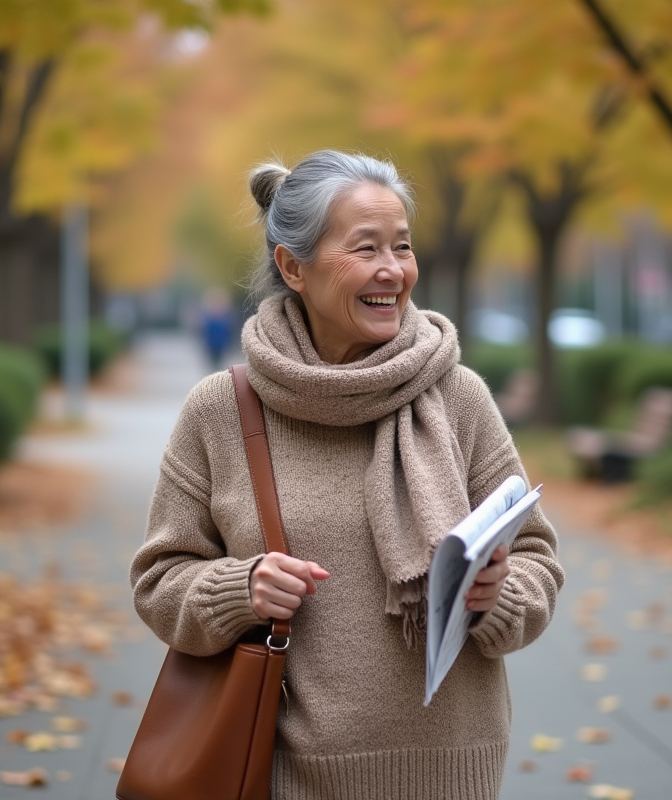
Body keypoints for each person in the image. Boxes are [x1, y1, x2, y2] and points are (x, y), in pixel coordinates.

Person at [130, 150, 564, 800]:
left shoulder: (459, 396)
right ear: (292, 266)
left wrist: (497, 593)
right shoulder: (222, 410)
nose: (393, 269)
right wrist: (239, 587)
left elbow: (537, 559)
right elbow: (160, 582)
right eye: (366, 248)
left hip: (451, 771)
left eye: (403, 246)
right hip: (283, 770)